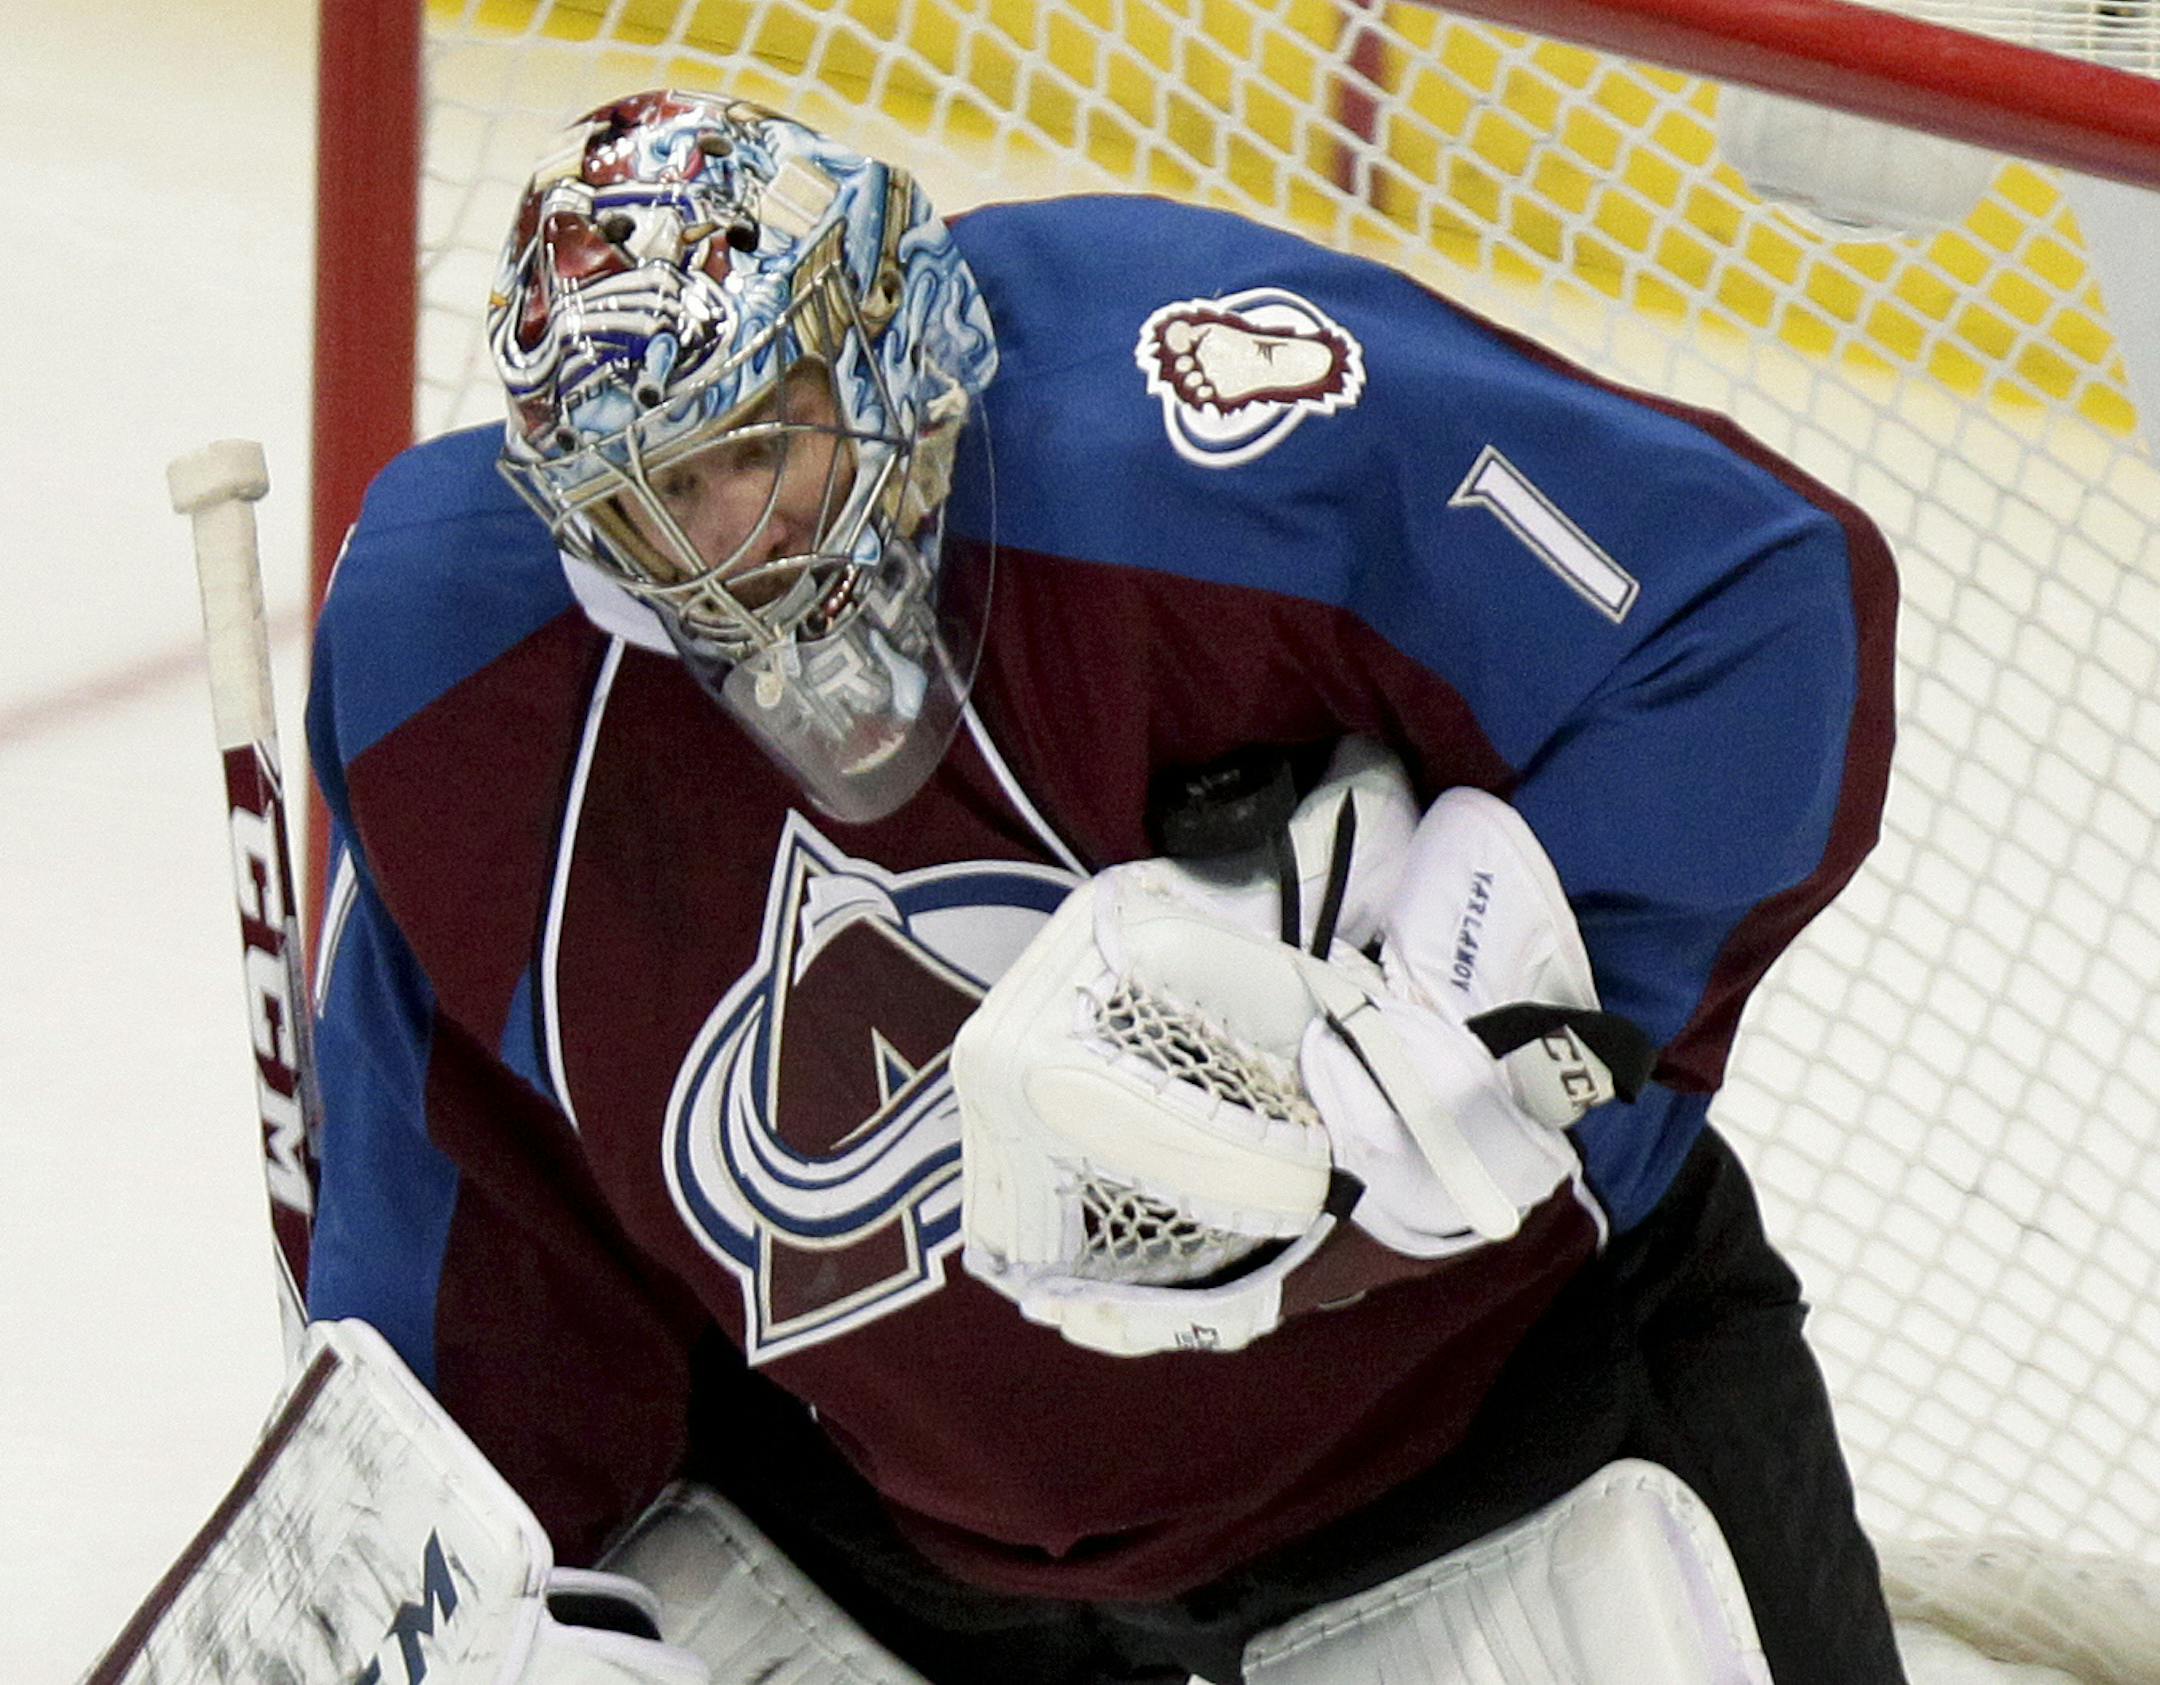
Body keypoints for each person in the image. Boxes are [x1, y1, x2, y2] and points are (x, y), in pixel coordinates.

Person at [304, 87, 1904, 1683]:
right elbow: (462, 1164)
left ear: (873, 330)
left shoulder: (1189, 427)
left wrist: (1464, 1038)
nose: (717, 548)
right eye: (641, 499)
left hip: (1488, 1447)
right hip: (902, 1563)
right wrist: (438, 1556)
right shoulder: (459, 678)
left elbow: (1747, 613)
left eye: (751, 441)